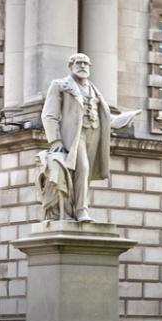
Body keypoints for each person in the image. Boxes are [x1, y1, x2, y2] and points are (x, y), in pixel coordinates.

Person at [38, 52, 140, 222]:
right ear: (71, 66)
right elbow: (49, 114)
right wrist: (55, 140)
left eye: (86, 63)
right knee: (83, 168)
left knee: (85, 174)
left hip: (94, 134)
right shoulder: (60, 85)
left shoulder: (94, 90)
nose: (82, 66)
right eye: (78, 62)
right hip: (75, 136)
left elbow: (104, 118)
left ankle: (79, 206)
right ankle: (80, 210)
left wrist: (124, 119)